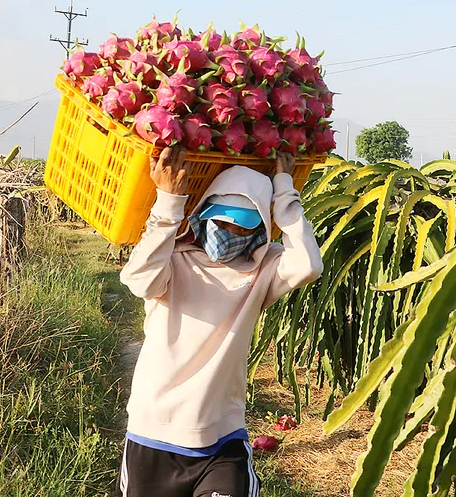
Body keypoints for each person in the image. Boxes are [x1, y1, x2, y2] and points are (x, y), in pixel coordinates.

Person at [116, 146, 323, 497]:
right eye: (219, 221)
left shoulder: (263, 270)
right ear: (201, 216)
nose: (226, 232)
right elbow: (138, 281)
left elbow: (309, 264)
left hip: (221, 436)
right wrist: (168, 202)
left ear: (259, 232)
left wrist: (285, 191)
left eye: (240, 228)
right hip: (153, 431)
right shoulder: (174, 259)